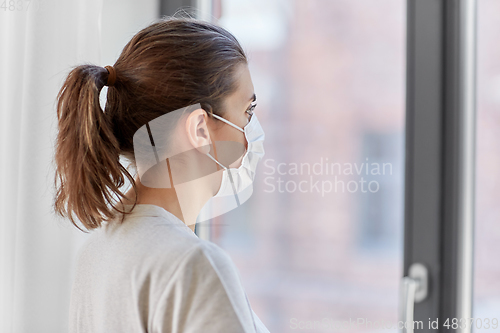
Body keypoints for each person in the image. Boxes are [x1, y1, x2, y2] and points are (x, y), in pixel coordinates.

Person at [53, 15, 269, 333]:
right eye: (247, 110)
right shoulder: (193, 265)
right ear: (199, 128)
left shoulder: (98, 252)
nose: (252, 130)